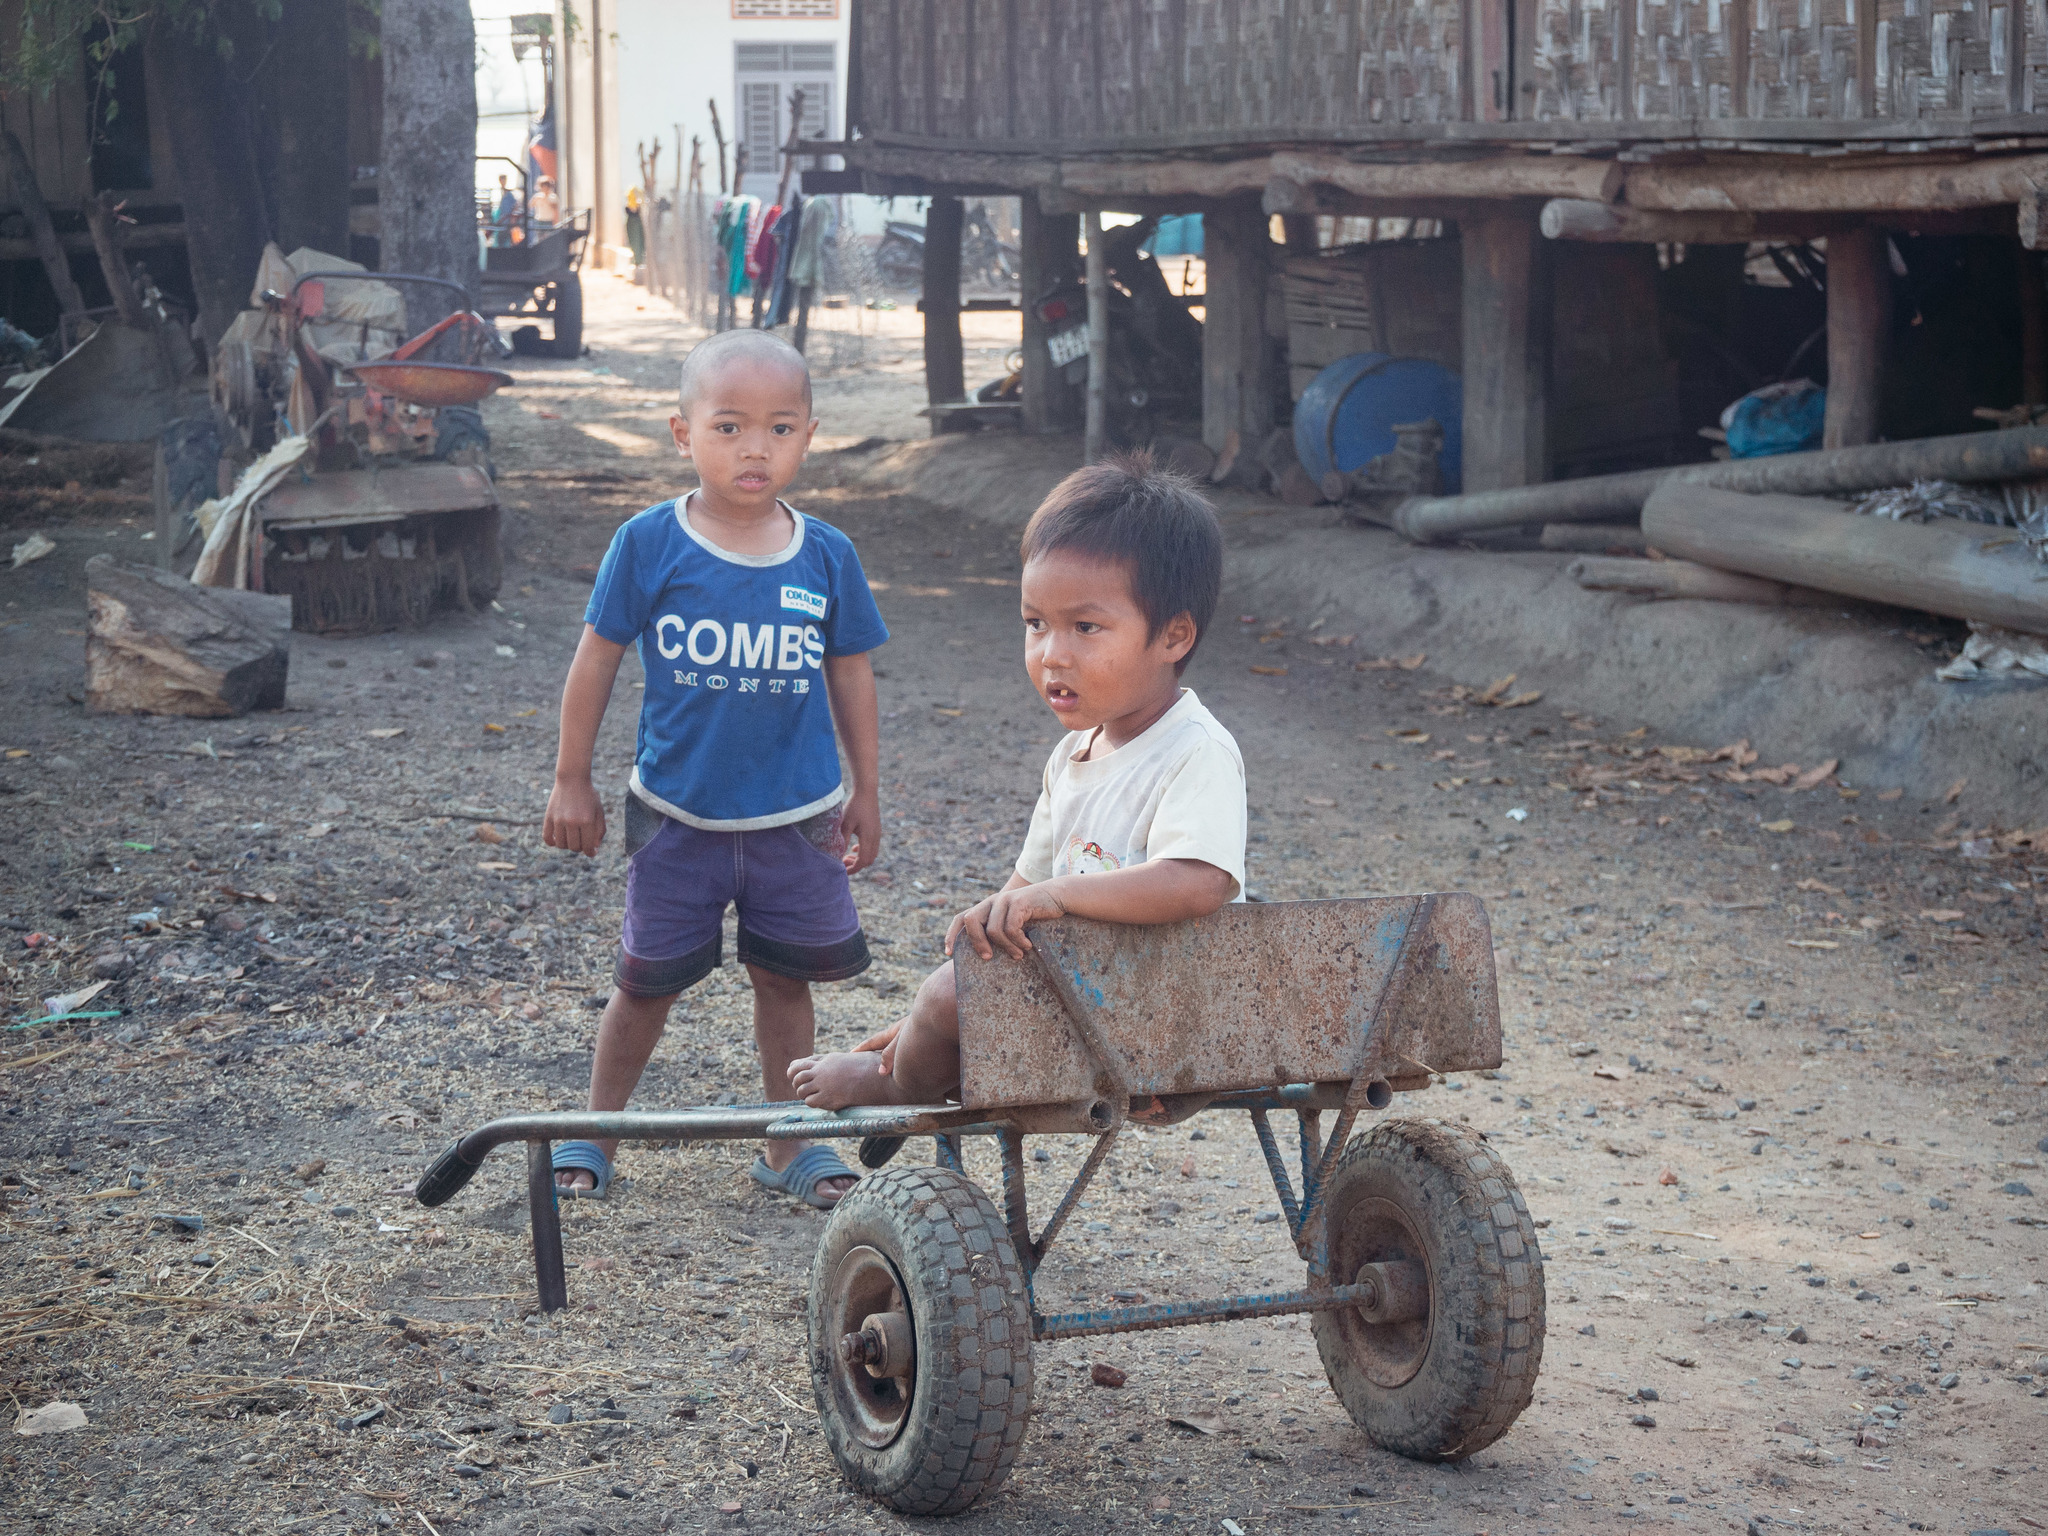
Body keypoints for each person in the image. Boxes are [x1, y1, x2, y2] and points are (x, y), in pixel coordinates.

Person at [542, 329, 888, 1207]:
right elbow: (597, 658)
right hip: (677, 815)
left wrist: (868, 790)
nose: (754, 449)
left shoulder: (827, 554)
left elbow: (851, 672)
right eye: (729, 427)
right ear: (681, 433)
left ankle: (791, 1141)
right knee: (644, 984)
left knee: (785, 978)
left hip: (797, 818)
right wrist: (570, 777)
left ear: (808, 435)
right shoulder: (649, 543)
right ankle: (597, 1128)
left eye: (778, 428)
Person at [787, 456, 1242, 1118]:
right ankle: (910, 1060)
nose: (1052, 653)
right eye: (1036, 623)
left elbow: (1198, 882)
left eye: (1085, 627)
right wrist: (928, 1017)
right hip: (1093, 1002)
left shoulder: (1194, 749)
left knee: (950, 997)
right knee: (951, 990)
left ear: (1173, 635)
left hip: (1166, 1021)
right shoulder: (1071, 758)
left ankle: (897, 1090)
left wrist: (1045, 908)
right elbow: (1023, 895)